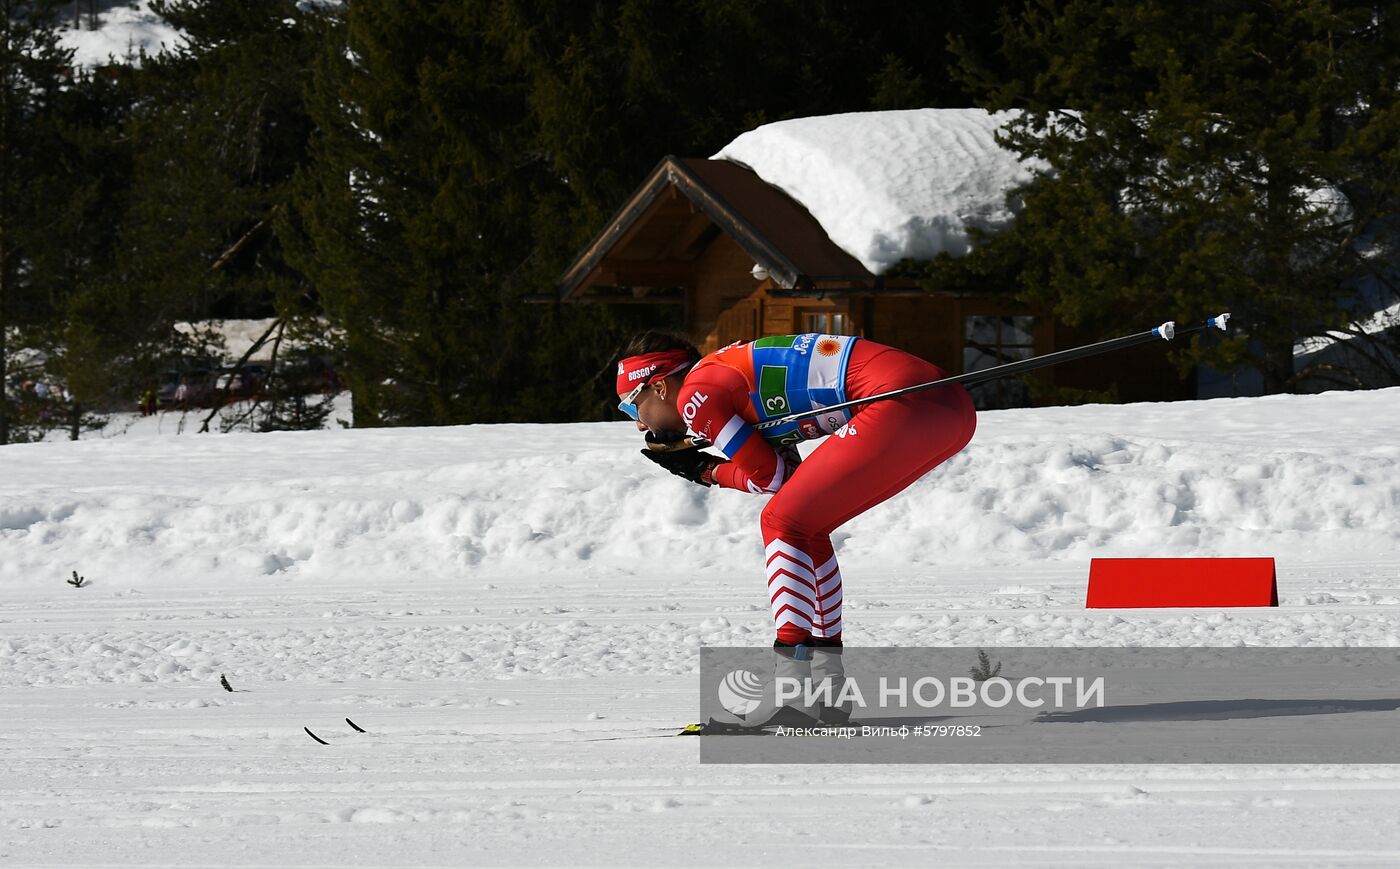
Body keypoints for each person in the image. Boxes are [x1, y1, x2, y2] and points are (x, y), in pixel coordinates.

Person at [616, 329, 976, 725]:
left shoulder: (695, 395)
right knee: (805, 527)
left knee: (780, 521)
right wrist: (712, 467)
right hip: (950, 407)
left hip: (906, 402)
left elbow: (767, 479)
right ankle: (827, 689)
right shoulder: (720, 376)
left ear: (661, 386)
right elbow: (787, 478)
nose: (638, 425)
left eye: (632, 407)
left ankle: (791, 691)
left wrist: (705, 470)